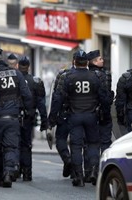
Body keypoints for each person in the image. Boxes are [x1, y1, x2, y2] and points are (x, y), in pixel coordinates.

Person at [49, 49, 110, 187]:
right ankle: (94, 171)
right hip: (91, 115)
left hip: (74, 115)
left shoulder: (67, 77)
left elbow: (58, 98)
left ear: (74, 61)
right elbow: (104, 98)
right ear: (87, 62)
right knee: (93, 144)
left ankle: (79, 177)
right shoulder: (96, 76)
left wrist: (52, 118)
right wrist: (105, 115)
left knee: (76, 146)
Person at [0, 47, 33, 188]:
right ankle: (8, 173)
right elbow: (27, 95)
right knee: (11, 147)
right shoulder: (17, 74)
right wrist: (28, 111)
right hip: (13, 117)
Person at [15, 56, 48, 181]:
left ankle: (16, 169)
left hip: (15, 116)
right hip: (29, 117)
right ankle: (27, 173)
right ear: (28, 67)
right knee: (27, 145)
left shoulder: (14, 80)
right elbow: (41, 103)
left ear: (18, 66)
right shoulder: (36, 81)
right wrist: (44, 121)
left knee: (15, 144)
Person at [84, 49, 114, 182]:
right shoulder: (105, 75)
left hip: (89, 113)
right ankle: (104, 171)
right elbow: (106, 96)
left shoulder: (85, 75)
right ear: (94, 61)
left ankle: (90, 171)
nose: (103, 60)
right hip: (103, 113)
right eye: (100, 59)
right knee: (105, 143)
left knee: (90, 144)